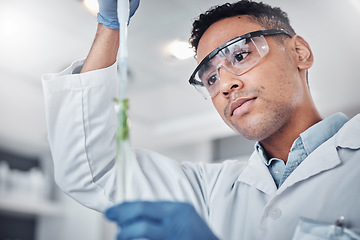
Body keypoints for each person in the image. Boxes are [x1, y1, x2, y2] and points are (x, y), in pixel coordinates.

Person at [42, 0, 360, 239]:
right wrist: (111, 26)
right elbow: (91, 169)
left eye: (239, 56)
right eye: (209, 79)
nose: (225, 86)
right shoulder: (210, 189)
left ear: (300, 52)